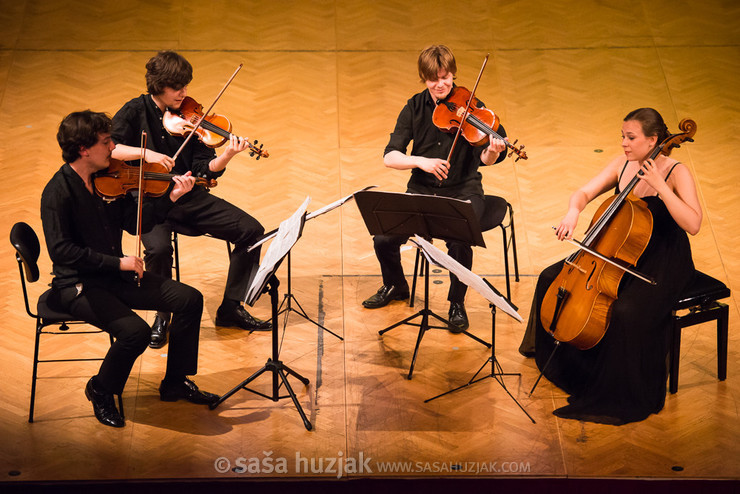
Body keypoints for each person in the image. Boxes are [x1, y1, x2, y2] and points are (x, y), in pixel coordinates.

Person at [519, 108, 702, 424]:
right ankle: (566, 367)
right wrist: (573, 212)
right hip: (619, 249)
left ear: (653, 140)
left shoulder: (676, 173)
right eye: (622, 136)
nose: (624, 144)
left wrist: (661, 187)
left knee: (625, 312)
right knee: (551, 278)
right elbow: (585, 192)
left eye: (630, 138)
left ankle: (619, 389)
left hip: (663, 259)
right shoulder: (624, 164)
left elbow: (694, 223)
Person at [41, 110, 220, 428]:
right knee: (135, 333)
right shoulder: (58, 193)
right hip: (77, 285)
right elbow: (61, 251)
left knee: (189, 300)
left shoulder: (106, 178)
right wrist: (117, 262)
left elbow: (134, 223)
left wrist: (172, 197)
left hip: (113, 275)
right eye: (106, 141)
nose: (113, 147)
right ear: (84, 149)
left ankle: (175, 383)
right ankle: (100, 389)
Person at [111, 50, 270, 349]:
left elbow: (203, 169)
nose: (183, 93)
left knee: (252, 231)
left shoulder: (192, 116)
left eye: (185, 85)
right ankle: (162, 315)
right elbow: (111, 149)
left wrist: (226, 155)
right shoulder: (134, 111)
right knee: (157, 249)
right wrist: (146, 153)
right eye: (176, 87)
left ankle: (231, 307)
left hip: (186, 195)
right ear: (158, 85)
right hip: (146, 199)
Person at [362, 44, 508, 332]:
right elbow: (390, 156)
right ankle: (395, 285)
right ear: (423, 78)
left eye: (446, 77)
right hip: (421, 191)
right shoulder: (414, 107)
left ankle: (457, 302)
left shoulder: (473, 107)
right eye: (434, 79)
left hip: (463, 190)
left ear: (453, 75)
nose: (441, 84)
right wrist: (422, 162)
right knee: (383, 238)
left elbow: (487, 158)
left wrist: (492, 151)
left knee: (460, 240)